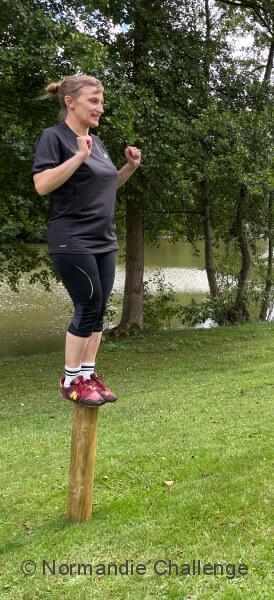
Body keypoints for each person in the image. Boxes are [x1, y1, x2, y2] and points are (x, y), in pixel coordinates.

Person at [33, 75, 141, 407]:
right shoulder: (54, 138)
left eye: (101, 100)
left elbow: (104, 187)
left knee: (98, 310)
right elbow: (42, 184)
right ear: (70, 102)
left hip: (103, 240)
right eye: (93, 100)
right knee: (88, 303)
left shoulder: (97, 142)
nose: (100, 107)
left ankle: (87, 376)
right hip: (72, 238)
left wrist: (129, 167)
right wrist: (78, 157)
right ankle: (70, 380)